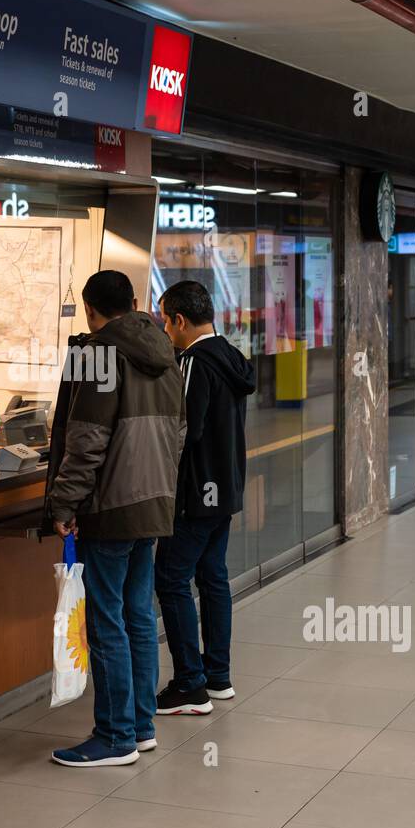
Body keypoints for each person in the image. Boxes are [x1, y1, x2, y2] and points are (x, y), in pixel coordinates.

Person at [47, 270, 185, 767]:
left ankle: (115, 735)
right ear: (134, 302)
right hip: (153, 503)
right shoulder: (166, 353)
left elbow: (86, 442)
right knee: (138, 617)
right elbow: (179, 434)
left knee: (106, 623)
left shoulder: (96, 354)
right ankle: (141, 726)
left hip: (109, 509)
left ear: (90, 308)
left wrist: (64, 504)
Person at [154, 280, 256, 714]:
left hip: (197, 493)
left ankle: (190, 684)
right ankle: (218, 677)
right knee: (212, 576)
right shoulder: (232, 355)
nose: (164, 331)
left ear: (179, 320)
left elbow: (184, 430)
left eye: (165, 322)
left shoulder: (194, 361)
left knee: (171, 578)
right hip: (226, 487)